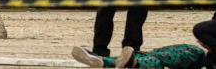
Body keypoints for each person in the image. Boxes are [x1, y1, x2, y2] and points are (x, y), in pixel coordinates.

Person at [72, 44, 206, 69]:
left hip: (200, 57)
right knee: (155, 56)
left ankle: (132, 61)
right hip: (197, 57)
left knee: (158, 58)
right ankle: (102, 61)